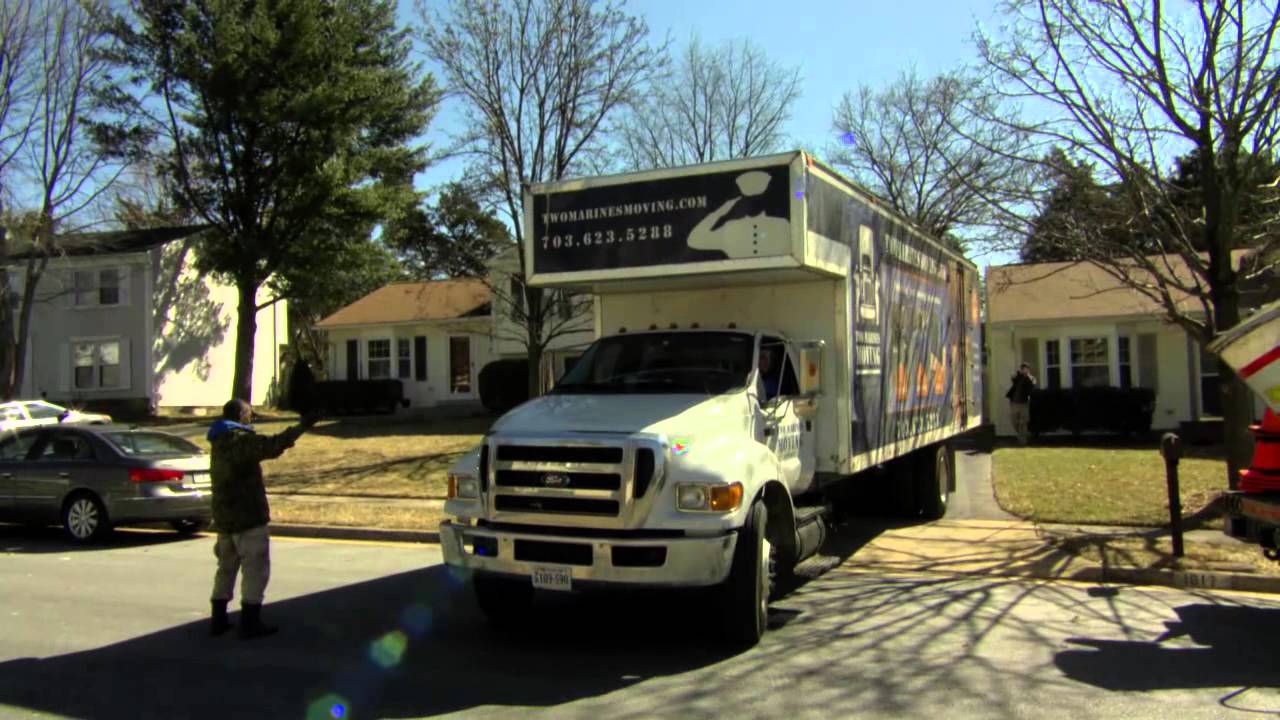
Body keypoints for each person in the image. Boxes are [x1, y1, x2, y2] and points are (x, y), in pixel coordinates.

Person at [207, 399, 319, 639]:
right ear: (240, 415)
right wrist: (302, 427)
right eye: (249, 414)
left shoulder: (217, 439)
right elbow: (274, 445)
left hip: (224, 518)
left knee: (225, 569)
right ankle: (250, 620)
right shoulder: (240, 439)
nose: (251, 418)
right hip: (247, 516)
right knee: (255, 569)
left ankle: (218, 619)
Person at [1006, 363, 1037, 445]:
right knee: (1014, 421)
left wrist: (1027, 375)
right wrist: (1017, 374)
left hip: (1024, 403)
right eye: (1023, 368)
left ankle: (1023, 441)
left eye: (1026, 368)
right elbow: (1013, 378)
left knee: (1024, 422)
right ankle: (1021, 435)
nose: (1024, 370)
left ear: (1028, 369)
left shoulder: (1031, 378)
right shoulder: (1018, 377)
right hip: (1014, 403)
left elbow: (1033, 384)